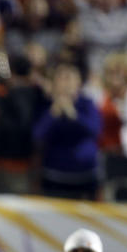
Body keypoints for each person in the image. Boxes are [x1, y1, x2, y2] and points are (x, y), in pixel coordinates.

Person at [33, 62, 102, 199]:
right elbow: (38, 135)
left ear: (79, 83)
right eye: (61, 78)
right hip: (54, 176)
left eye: (69, 78)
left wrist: (73, 114)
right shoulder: (46, 105)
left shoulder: (87, 104)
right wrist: (53, 113)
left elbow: (94, 130)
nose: (65, 83)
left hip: (85, 177)